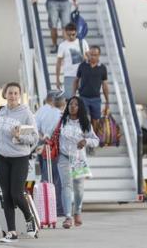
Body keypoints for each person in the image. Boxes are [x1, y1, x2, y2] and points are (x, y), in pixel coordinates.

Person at [0, 82, 39, 243]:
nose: (12, 96)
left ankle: (28, 217)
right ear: (5, 94)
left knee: (16, 194)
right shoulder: (2, 111)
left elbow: (34, 139)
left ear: (20, 95)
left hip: (19, 158)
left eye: (16, 93)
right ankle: (11, 232)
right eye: (10, 93)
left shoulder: (26, 114)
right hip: (2, 157)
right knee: (6, 196)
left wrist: (19, 137)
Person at [56, 96, 99, 228]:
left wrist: (86, 141)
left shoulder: (84, 123)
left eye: (75, 105)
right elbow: (52, 134)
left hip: (79, 159)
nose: (72, 107)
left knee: (79, 189)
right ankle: (68, 217)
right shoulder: (62, 121)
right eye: (70, 104)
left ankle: (78, 211)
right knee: (66, 186)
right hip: (64, 157)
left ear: (80, 107)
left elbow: (96, 140)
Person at [34, 91, 65, 217]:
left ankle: (43, 206)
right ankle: (57, 209)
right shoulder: (59, 114)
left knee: (45, 177)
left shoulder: (40, 111)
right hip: (54, 149)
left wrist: (43, 139)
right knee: (56, 179)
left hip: (42, 146)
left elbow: (36, 130)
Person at [72, 45, 110, 123]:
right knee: (84, 119)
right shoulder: (82, 65)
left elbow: (105, 85)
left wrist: (107, 100)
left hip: (96, 99)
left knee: (95, 120)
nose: (92, 57)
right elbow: (76, 80)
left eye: (95, 55)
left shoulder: (102, 68)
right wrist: (73, 95)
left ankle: (93, 135)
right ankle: (85, 135)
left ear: (99, 55)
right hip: (83, 98)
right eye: (91, 54)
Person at [56, 22, 89, 98]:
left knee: (84, 97)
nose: (71, 37)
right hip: (69, 74)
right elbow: (58, 63)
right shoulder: (62, 45)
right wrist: (57, 79)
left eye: (73, 34)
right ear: (65, 33)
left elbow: (89, 58)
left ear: (76, 32)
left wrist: (85, 58)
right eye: (68, 35)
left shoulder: (83, 42)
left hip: (82, 75)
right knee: (69, 97)